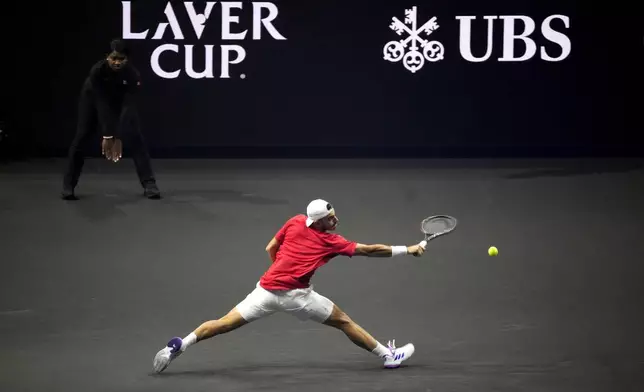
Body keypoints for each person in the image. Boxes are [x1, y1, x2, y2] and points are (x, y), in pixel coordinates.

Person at [153, 199, 426, 372]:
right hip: (298, 297)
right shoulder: (332, 241)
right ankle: (388, 356)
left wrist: (280, 268)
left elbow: (271, 247)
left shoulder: (295, 220)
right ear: (319, 221)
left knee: (222, 322)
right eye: (331, 218)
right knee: (343, 321)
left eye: (335, 215)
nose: (336, 220)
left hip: (265, 292)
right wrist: (409, 249)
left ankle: (179, 345)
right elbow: (369, 250)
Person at [61, 39, 160, 200]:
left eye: (121, 59)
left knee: (135, 137)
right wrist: (108, 135)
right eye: (113, 58)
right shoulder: (97, 71)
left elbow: (128, 107)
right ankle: (68, 185)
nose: (116, 62)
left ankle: (149, 184)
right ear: (107, 57)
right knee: (82, 136)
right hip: (92, 99)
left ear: (127, 59)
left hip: (119, 102)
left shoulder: (132, 75)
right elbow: (102, 105)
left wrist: (119, 136)